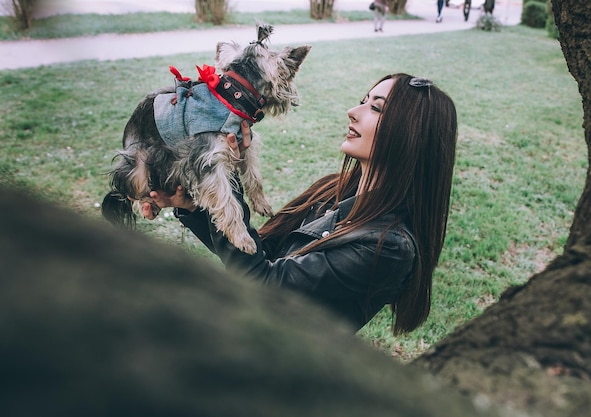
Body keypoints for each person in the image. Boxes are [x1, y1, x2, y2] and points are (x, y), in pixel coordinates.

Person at [142, 73, 458, 335]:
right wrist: (196, 206)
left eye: (376, 108)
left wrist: (222, 173)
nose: (353, 111)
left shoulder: (388, 247)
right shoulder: (333, 190)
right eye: (363, 101)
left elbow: (261, 284)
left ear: (412, 135)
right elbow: (258, 254)